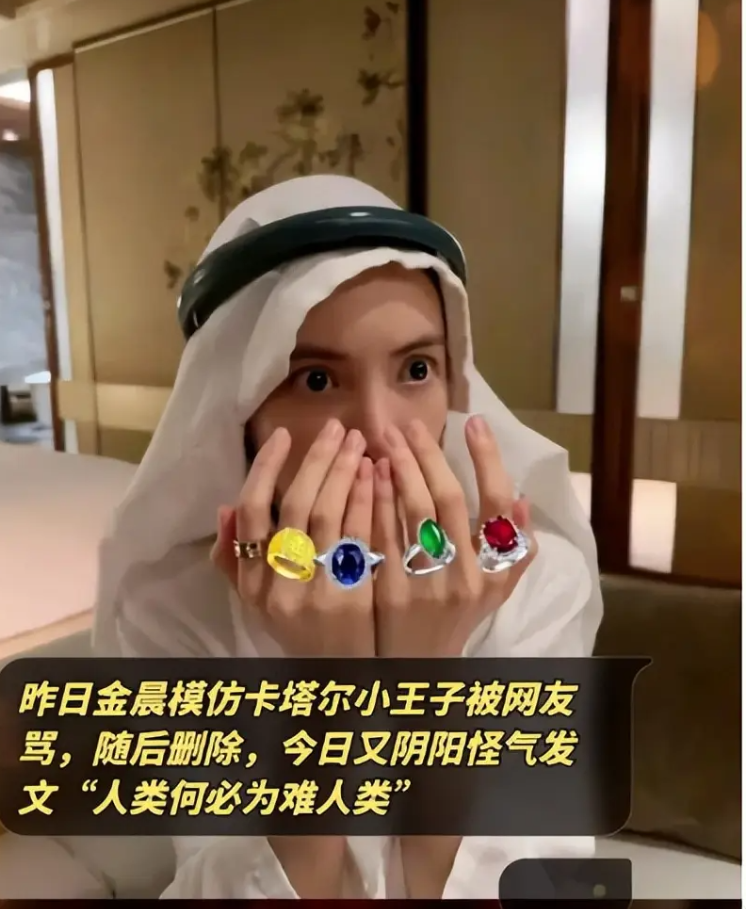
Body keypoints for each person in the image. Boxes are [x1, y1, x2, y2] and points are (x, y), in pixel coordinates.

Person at [94, 175, 603, 900]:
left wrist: (426, 682)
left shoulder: (537, 580)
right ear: (241, 411)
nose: (378, 429)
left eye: (416, 370)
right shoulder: (174, 607)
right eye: (316, 379)